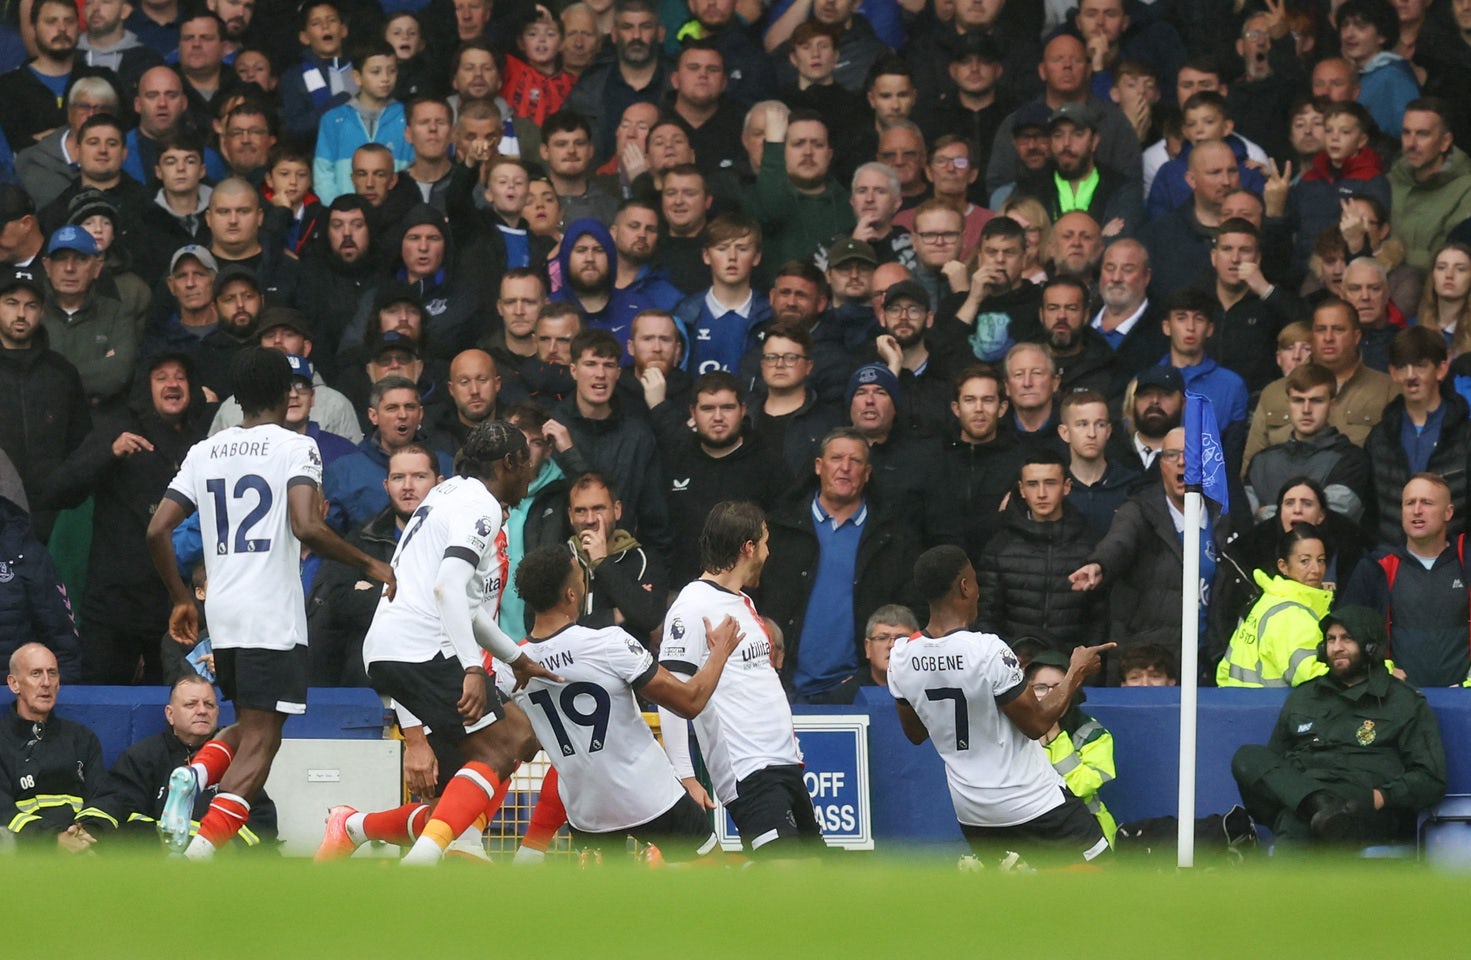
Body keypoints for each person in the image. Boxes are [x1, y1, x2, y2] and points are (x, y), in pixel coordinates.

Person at [145, 348, 396, 859]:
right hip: (273, 616)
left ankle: (193, 774)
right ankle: (200, 853)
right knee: (264, 741)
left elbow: (156, 529)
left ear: (237, 398)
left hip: (225, 613)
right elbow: (307, 525)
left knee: (257, 724)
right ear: (288, 394)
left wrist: (180, 599)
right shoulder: (294, 447)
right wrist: (371, 564)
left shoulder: (204, 450)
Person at [509, 543, 739, 860]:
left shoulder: (513, 668)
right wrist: (719, 653)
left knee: (613, 906)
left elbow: (522, 744)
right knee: (714, 879)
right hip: (651, 797)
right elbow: (689, 702)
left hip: (588, 815)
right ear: (571, 595)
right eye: (580, 576)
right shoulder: (607, 642)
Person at [889, 545, 1112, 867]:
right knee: (1104, 881)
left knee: (1019, 903)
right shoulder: (987, 650)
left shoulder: (901, 656)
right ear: (965, 586)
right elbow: (1036, 725)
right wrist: (1076, 671)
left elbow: (915, 733)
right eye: (975, 581)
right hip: (1031, 800)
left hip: (972, 810)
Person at [656, 501, 825, 859]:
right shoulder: (692, 605)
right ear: (748, 548)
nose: (768, 552)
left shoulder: (740, 602)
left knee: (814, 883)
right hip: (749, 771)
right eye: (765, 542)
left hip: (784, 764)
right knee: (785, 881)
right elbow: (670, 691)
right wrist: (685, 774)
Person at [1231, 605, 1446, 845]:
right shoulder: (1304, 696)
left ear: (1371, 646)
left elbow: (1431, 778)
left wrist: (1378, 797)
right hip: (1303, 795)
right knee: (1247, 757)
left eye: (1347, 638)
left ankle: (1319, 816)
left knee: (1296, 825)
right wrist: (1313, 802)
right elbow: (1275, 769)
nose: (1336, 647)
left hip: (1363, 807)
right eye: (1330, 639)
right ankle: (1318, 808)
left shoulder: (1403, 701)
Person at [762, 427, 919, 704]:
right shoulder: (779, 530)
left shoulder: (894, 537)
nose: (845, 468)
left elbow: (912, 609)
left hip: (860, 690)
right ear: (818, 467)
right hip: (782, 686)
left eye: (855, 461)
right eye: (836, 458)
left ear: (868, 473)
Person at [1071, 426, 1226, 676]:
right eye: (1172, 455)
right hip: (1151, 664)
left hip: (1208, 661)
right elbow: (1119, 541)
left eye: (1191, 454)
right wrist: (1099, 564)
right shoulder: (1140, 509)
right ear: (1160, 464)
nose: (1182, 462)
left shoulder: (1220, 514)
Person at [76, 674, 277, 850]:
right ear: (170, 715)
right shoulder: (143, 756)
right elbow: (115, 803)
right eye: (191, 704)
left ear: (217, 712)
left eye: (209, 705)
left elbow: (263, 820)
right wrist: (89, 830)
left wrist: (225, 849)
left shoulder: (237, 759)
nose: (202, 711)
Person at [654, 370, 788, 584]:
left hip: (746, 596)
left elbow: (782, 543)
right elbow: (657, 531)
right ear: (693, 412)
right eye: (708, 408)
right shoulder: (673, 459)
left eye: (727, 407)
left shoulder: (769, 465)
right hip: (680, 590)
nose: (717, 417)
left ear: (743, 410)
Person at [1342, 473, 1471, 688]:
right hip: (1397, 702)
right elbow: (1345, 634)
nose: (1417, 510)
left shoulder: (1467, 560)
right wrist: (1377, 669)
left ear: (1448, 512)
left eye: (1427, 503)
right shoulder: (1376, 567)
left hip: (1465, 700)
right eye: (1409, 503)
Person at [1243, 298, 1400, 468]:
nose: (1328, 338)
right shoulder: (1275, 392)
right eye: (1320, 330)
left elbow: (1394, 467)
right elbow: (1251, 467)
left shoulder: (1387, 390)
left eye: (1338, 329)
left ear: (1356, 336)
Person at [977, 448, 1105, 654]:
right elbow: (986, 617)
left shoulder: (1090, 546)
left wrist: (1083, 667)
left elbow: (1099, 620)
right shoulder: (999, 546)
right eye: (1033, 484)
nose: (1042, 493)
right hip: (1015, 668)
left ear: (1067, 487)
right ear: (1021, 489)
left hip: (1073, 669)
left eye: (1050, 483)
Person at [0, 267, 90, 540]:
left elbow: (80, 442)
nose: (20, 314)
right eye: (11, 303)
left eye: (31, 306)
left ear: (41, 312)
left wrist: (63, 487)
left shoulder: (61, 372)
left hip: (52, 517)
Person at [1364, 326, 1471, 546]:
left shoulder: (1465, 435)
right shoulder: (1379, 438)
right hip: (1391, 564)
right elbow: (1371, 513)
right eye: (1403, 366)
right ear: (1393, 372)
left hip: (1456, 565)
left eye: (1421, 366)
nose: (1411, 376)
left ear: (1441, 370)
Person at [0, 643, 103, 851]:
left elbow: (100, 797)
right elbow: (3, 811)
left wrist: (86, 831)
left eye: (52, 673)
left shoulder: (83, 738)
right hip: (23, 850)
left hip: (80, 845)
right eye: (36, 674)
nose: (46, 682)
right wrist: (53, 840)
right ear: (14, 684)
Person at [1243, 362, 1372, 525]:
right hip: (1265, 550)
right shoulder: (1261, 462)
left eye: (1316, 401)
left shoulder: (1352, 460)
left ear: (1332, 405)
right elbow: (1245, 520)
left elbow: (1327, 519)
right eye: (1298, 400)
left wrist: (1264, 514)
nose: (1306, 409)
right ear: (1288, 404)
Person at [1216, 523, 1335, 688]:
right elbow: (1313, 679)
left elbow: (1224, 669)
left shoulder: (1265, 600)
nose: (1316, 569)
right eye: (1305, 561)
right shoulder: (1293, 614)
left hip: (1237, 706)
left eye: (1321, 560)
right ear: (1283, 566)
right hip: (1275, 711)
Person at [1023, 650, 1118, 847]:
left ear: (1072, 689)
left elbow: (1081, 787)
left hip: (1084, 832)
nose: (1050, 694)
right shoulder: (1013, 730)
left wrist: (1055, 737)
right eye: (1040, 687)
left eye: (1059, 687)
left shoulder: (1093, 733)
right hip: (1028, 830)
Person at [564, 471, 667, 644]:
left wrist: (602, 562)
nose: (590, 520)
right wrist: (615, 615)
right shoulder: (557, 561)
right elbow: (543, 626)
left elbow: (649, 617)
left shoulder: (644, 560)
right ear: (570, 515)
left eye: (598, 508)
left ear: (617, 510)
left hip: (627, 668)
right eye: (581, 510)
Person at [1390, 99, 1471, 270]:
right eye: (1406, 133)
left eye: (1422, 134)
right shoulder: (1390, 180)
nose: (1411, 143)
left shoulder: (1466, 189)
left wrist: (1392, 255)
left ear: (1445, 142)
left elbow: (1454, 255)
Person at [1059, 388, 1140, 539]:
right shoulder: (1054, 488)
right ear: (1065, 433)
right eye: (1082, 424)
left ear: (1109, 431)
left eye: (1100, 425)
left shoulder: (1132, 486)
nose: (1092, 434)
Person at [860, 604, 915, 689]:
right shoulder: (845, 697)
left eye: (901, 638)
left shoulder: (931, 689)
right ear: (868, 648)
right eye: (882, 638)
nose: (892, 645)